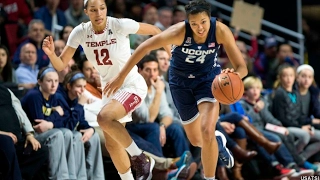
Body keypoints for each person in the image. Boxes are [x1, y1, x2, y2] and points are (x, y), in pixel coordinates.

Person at [104, 0, 247, 179]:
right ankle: (218, 141)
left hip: (208, 81)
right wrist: (120, 77)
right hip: (181, 83)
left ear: (209, 19)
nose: (199, 28)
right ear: (188, 22)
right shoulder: (178, 32)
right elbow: (143, 47)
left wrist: (232, 75)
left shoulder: (220, 30)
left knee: (207, 131)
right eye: (194, 24)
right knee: (196, 140)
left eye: (203, 22)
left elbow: (243, 67)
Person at [41, 0, 171, 179]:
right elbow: (61, 64)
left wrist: (172, 57)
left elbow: (156, 31)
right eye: (93, 10)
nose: (99, 13)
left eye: (102, 8)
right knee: (112, 144)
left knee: (103, 118)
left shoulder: (119, 24)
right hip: (110, 90)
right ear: (86, 11)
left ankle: (140, 157)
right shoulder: (80, 32)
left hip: (130, 84)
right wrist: (51, 54)